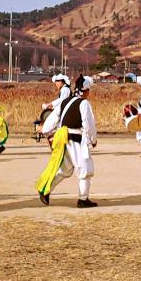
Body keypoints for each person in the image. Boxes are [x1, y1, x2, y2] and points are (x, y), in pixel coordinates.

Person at [37, 75, 99, 208]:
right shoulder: (84, 103)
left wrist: (45, 131)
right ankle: (83, 199)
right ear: (86, 91)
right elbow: (88, 124)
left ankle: (45, 190)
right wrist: (93, 140)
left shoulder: (66, 101)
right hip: (75, 139)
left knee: (65, 170)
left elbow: (53, 119)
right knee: (85, 168)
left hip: (63, 139)